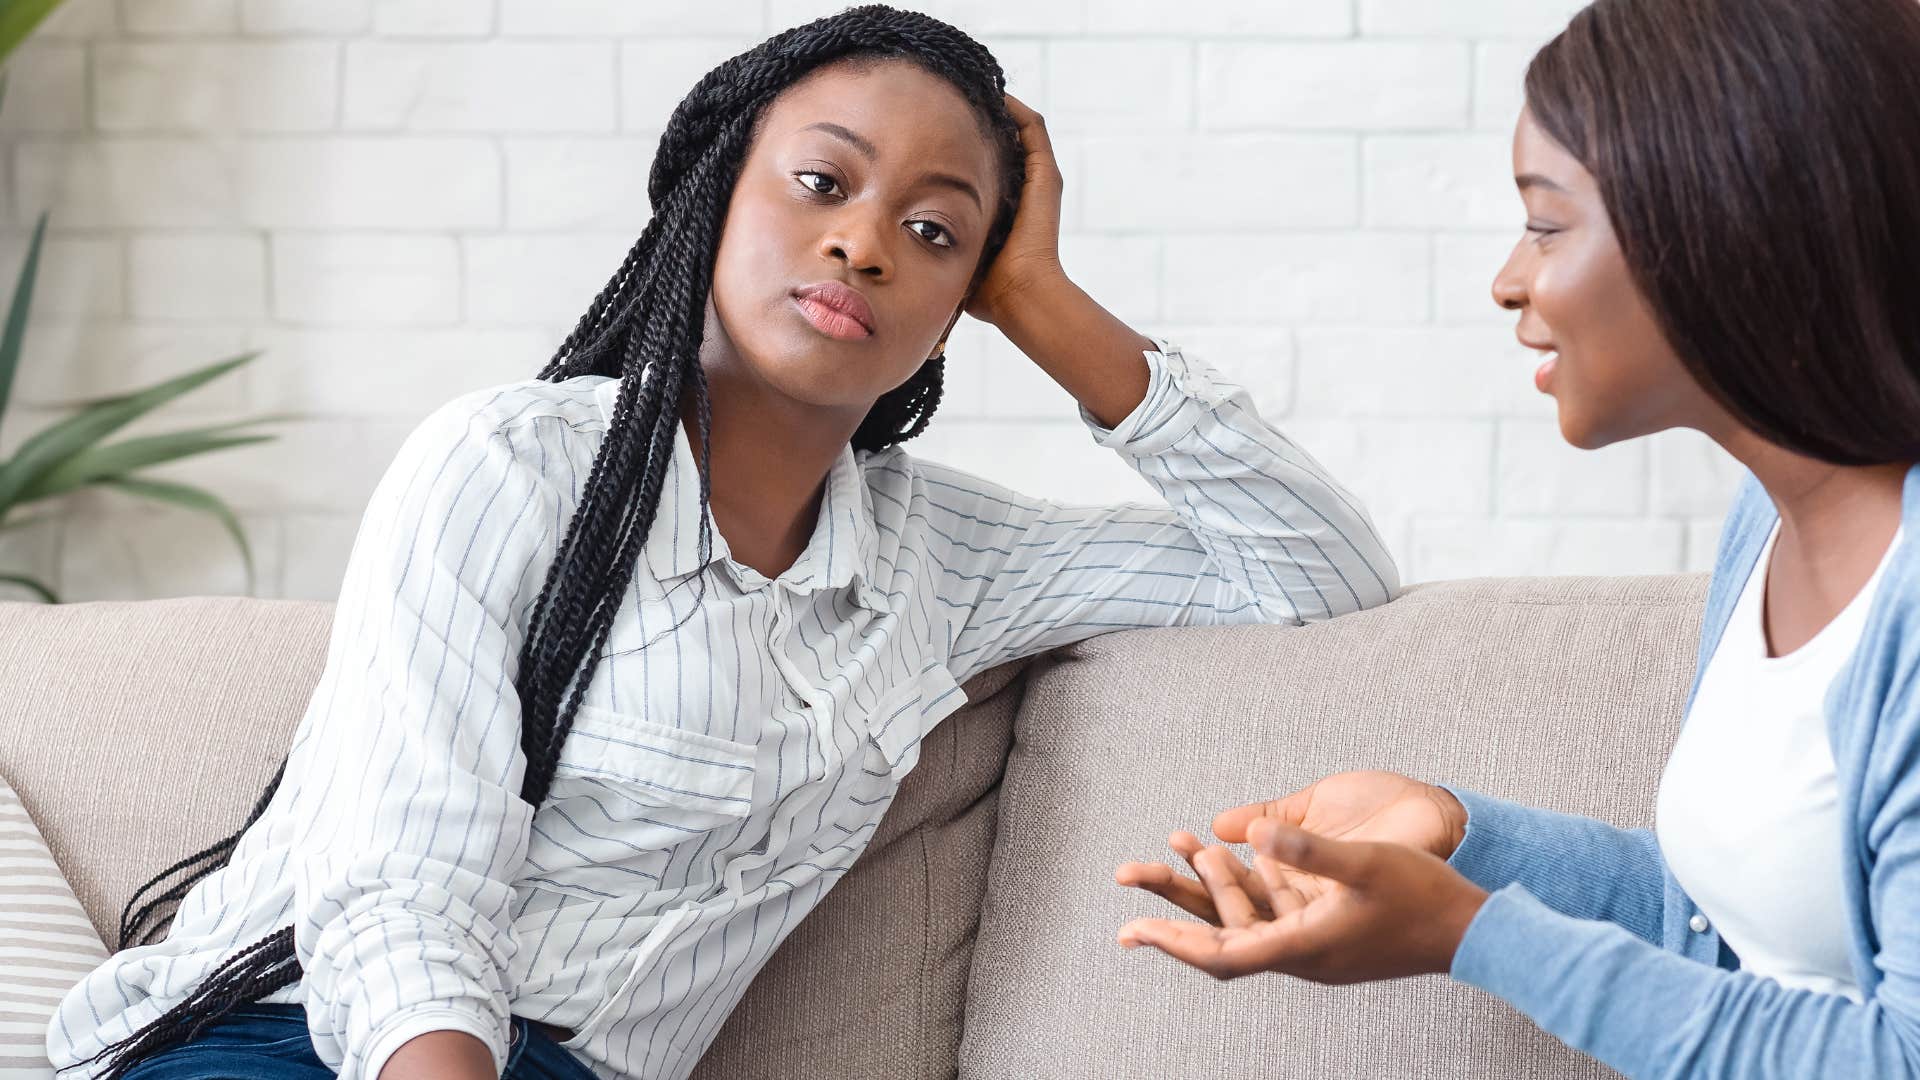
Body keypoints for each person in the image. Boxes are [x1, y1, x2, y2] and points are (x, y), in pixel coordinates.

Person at [52, 7, 1398, 1080]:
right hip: (317, 1044)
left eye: (936, 232)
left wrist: (1043, 300)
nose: (865, 242)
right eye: (822, 181)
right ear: (714, 196)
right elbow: (405, 885)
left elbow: (1317, 572)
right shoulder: (512, 465)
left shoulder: (941, 561)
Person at [1114, 0, 1920, 1075]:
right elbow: (1725, 934)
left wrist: (1470, 935)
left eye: (1545, 224)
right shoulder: (1771, 526)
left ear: (1728, 221)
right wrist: (1459, 839)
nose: (1508, 279)